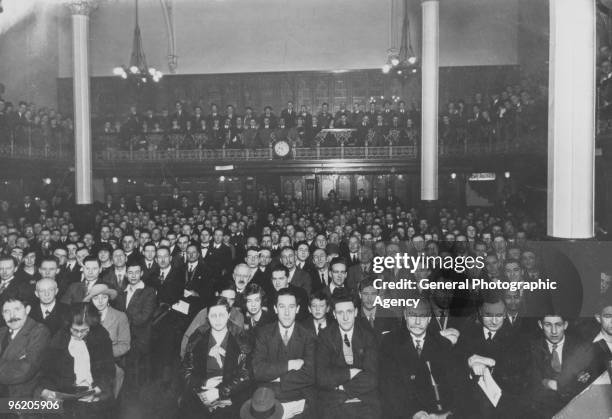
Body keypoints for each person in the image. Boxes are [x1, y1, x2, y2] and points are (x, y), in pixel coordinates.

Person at [380, 299, 458, 418]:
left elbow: (453, 386)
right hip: (403, 412)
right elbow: (389, 388)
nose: (417, 322)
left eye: (422, 316)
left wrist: (444, 414)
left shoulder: (443, 344)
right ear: (405, 315)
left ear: (429, 318)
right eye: (412, 315)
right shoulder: (389, 342)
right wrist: (414, 413)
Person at [38, 303, 115, 419]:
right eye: (74, 330)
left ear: (91, 326)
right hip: (65, 392)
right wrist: (47, 390)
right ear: (68, 325)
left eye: (84, 330)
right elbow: (48, 371)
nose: (79, 335)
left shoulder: (101, 336)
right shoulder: (59, 337)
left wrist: (96, 390)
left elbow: (108, 370)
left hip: (93, 390)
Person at [180, 296, 251, 418]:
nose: (218, 320)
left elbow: (246, 374)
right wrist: (204, 383)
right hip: (201, 391)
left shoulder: (240, 338)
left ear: (228, 315)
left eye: (222, 315)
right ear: (207, 317)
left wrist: (219, 392)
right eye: (213, 316)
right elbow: (186, 371)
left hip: (231, 392)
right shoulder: (197, 337)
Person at [315, 288, 380, 418]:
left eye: (349, 312)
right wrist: (350, 372)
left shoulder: (368, 336)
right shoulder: (325, 336)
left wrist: (342, 388)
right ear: (334, 314)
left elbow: (372, 378)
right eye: (340, 313)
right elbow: (322, 377)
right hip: (334, 403)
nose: (345, 318)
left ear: (356, 312)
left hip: (364, 401)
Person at [252, 288, 316, 418]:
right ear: (275, 309)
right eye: (282, 307)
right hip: (268, 397)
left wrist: (278, 378)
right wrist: (289, 365)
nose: (287, 312)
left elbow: (311, 373)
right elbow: (258, 371)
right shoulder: (263, 333)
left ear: (297, 309)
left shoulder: (308, 335)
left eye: (291, 307)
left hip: (299, 397)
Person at [0, 296, 50, 398]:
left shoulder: (39, 331)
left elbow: (26, 369)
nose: (12, 316)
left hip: (21, 398)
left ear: (27, 310)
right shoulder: (1, 332)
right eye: (6, 311)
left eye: (16, 310)